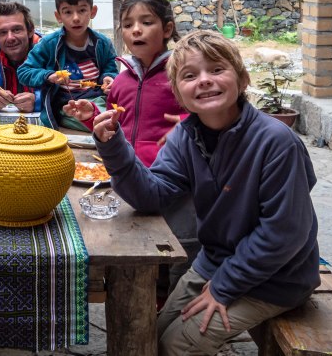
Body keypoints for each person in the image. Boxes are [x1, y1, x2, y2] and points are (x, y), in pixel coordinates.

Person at [92, 30, 320, 356]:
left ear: (242, 79)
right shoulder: (185, 137)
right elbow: (151, 196)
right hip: (214, 262)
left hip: (278, 279)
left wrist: (225, 286)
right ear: (178, 94)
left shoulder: (276, 142)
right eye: (189, 75)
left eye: (216, 69)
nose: (204, 80)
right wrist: (114, 147)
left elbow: (284, 232)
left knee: (178, 345)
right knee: (148, 334)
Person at [63, 0, 197, 300]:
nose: (136, 30)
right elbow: (117, 129)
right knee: (133, 253)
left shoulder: (182, 76)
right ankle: (141, 302)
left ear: (167, 29)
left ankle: (171, 307)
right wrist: (93, 117)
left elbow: (206, 116)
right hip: (129, 181)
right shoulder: (121, 82)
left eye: (146, 22)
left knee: (178, 255)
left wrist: (187, 126)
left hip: (174, 185)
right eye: (127, 24)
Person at [17, 0, 118, 129]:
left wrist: (109, 78)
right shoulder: (49, 44)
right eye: (68, 12)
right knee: (108, 123)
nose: (76, 18)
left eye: (82, 10)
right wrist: (48, 75)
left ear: (93, 12)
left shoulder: (102, 43)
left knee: (120, 116)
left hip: (98, 99)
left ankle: (98, 119)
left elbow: (111, 69)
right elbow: (24, 72)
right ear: (58, 16)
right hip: (67, 105)